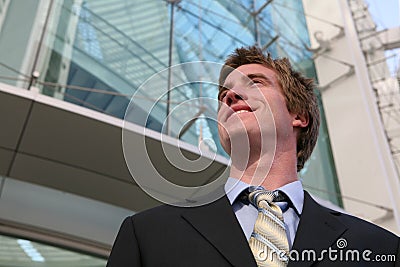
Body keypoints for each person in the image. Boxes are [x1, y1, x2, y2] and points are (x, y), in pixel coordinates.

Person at [107, 46, 399, 266]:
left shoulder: (381, 249)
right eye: (224, 95)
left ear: (298, 115)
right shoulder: (147, 234)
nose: (230, 97)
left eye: (255, 83)